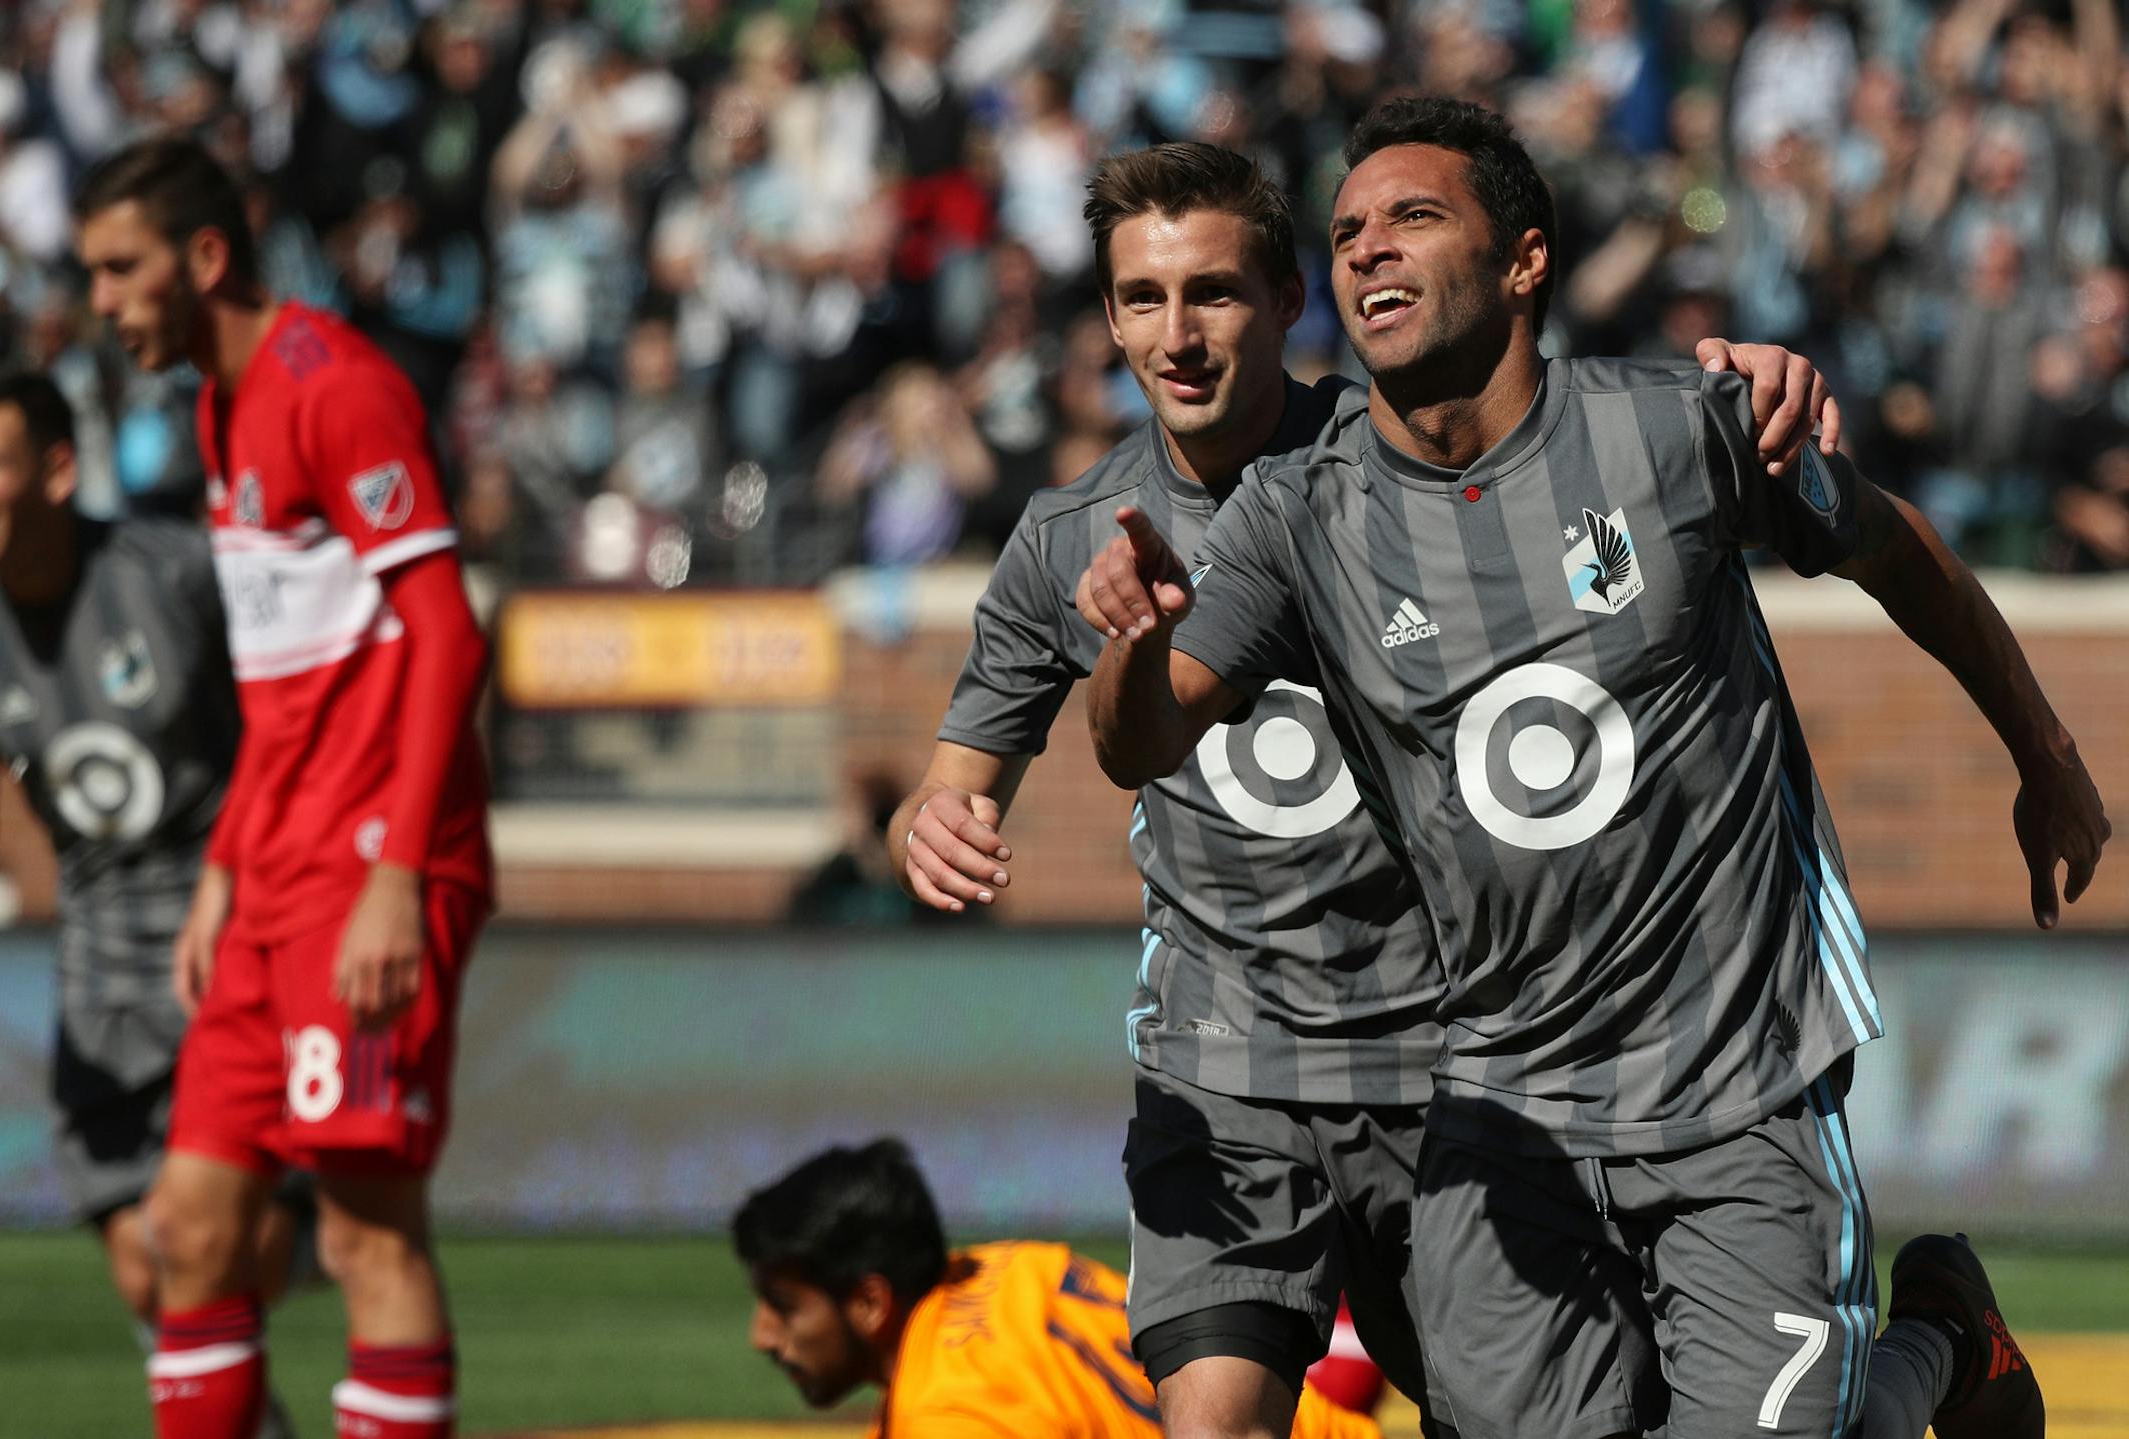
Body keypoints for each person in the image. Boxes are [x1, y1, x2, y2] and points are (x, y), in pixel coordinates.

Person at [1078, 97, 2107, 1439]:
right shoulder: (1298, 513)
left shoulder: (1681, 430)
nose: (1369, 248)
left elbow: (1893, 548)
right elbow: (1140, 741)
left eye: (1413, 217)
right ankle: (1941, 1348)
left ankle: (1939, 1343)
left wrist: (2045, 750)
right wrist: (1133, 642)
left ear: (1525, 260)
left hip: (1739, 1078)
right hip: (1502, 1107)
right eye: (1347, 231)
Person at [894, 141, 1838, 1439]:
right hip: (1224, 1067)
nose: (1179, 335)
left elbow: (1589, 441)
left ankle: (1924, 1357)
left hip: (1448, 1067)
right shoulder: (1070, 536)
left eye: (1214, 292)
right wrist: (941, 820)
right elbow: (958, 778)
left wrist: (1762, 383)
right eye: (1144, 299)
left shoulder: (1404, 459)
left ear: (1290, 299)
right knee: (1212, 1422)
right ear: (1108, 318)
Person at [75, 136, 494, 1439]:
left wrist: (397, 873)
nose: (100, 300)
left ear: (204, 258)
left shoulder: (336, 386)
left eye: (121, 268)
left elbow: (448, 632)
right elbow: (284, 684)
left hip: (368, 870)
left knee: (367, 1230)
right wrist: (221, 872)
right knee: (188, 1228)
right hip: (270, 875)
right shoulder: (219, 405)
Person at [0, 368, 313, 1438]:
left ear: (56, 471)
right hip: (102, 976)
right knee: (143, 1268)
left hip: (236, 946)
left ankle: (340, 1230)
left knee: (220, 1244)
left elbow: (291, 716)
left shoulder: (172, 573)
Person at [732, 1137, 1383, 1439]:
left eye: (784, 1307)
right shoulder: (1007, 1266)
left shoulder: (949, 1412)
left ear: (871, 1302)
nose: (763, 1335)